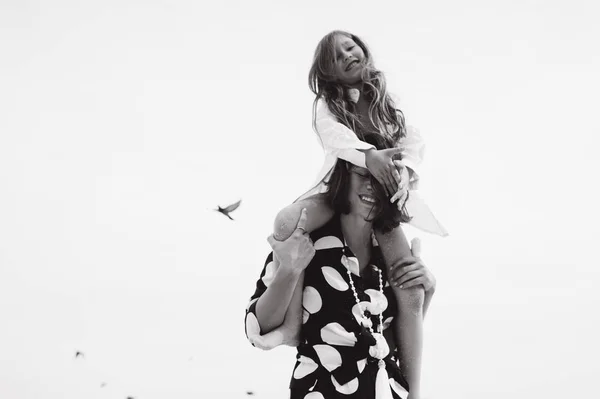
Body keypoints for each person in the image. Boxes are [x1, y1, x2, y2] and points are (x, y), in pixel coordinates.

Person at [245, 133, 436, 399]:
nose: (373, 187)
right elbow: (260, 325)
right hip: (320, 390)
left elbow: (392, 341)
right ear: (345, 175)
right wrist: (288, 270)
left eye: (382, 180)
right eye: (364, 175)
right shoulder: (307, 240)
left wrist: (427, 294)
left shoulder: (391, 254)